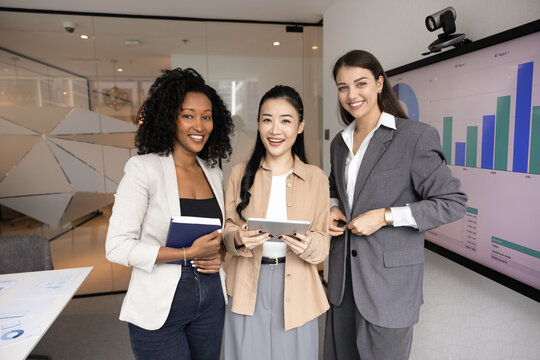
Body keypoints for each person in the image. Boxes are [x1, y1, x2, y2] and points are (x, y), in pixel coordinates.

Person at [324, 50, 467, 360]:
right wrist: (334, 205)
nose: (351, 95)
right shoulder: (339, 142)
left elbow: (452, 204)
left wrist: (386, 216)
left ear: (378, 83)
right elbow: (335, 184)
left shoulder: (414, 137)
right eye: (342, 87)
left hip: (388, 288)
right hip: (342, 283)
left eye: (360, 83)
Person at [105, 67, 234, 360]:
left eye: (206, 116)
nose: (199, 125)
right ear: (169, 118)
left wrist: (220, 253)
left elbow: (216, 236)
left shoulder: (213, 171)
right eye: (188, 115)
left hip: (211, 298)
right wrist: (187, 253)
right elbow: (117, 247)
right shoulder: (143, 169)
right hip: (160, 301)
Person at [222, 85, 329, 360]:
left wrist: (308, 244)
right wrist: (238, 238)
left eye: (285, 121)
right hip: (247, 282)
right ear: (258, 124)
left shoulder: (316, 178)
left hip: (299, 285)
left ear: (300, 126)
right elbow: (227, 231)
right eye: (267, 120)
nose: (275, 130)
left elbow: (322, 243)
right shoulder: (238, 174)